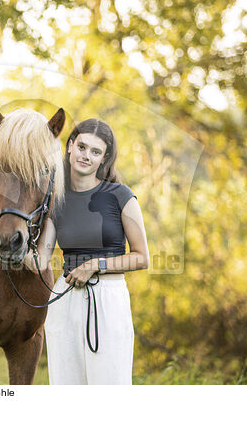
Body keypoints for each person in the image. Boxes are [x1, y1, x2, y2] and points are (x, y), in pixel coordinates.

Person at [28, 118, 149, 385]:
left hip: (107, 300)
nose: (86, 156)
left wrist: (96, 264)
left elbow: (142, 257)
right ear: (70, 146)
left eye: (96, 152)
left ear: (104, 159)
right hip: (65, 299)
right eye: (82, 147)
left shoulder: (120, 195)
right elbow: (41, 260)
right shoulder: (56, 199)